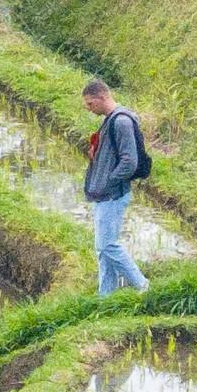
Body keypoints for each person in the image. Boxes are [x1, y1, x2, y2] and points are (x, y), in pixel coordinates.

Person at [80, 78, 150, 297]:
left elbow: (130, 161)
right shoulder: (110, 120)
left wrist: (108, 181)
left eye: (90, 104)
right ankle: (106, 297)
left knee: (107, 246)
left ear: (102, 97)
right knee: (102, 250)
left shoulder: (121, 122)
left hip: (112, 195)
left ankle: (142, 285)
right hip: (105, 195)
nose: (89, 109)